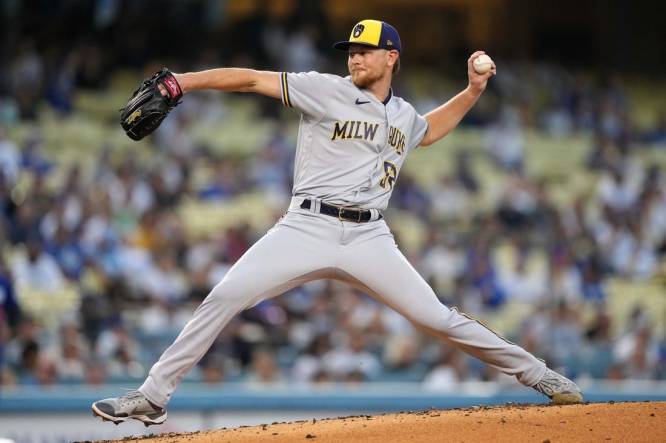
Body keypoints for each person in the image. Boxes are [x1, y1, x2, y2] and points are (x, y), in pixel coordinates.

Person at [92, 19, 582, 426]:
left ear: (392, 56)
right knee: (224, 296)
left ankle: (539, 375)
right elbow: (248, 79)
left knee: (437, 318)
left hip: (370, 235)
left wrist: (473, 90)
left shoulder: (405, 116)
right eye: (351, 51)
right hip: (305, 226)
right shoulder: (324, 90)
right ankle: (153, 396)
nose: (354, 58)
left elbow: (430, 130)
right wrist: (184, 82)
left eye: (366, 51)